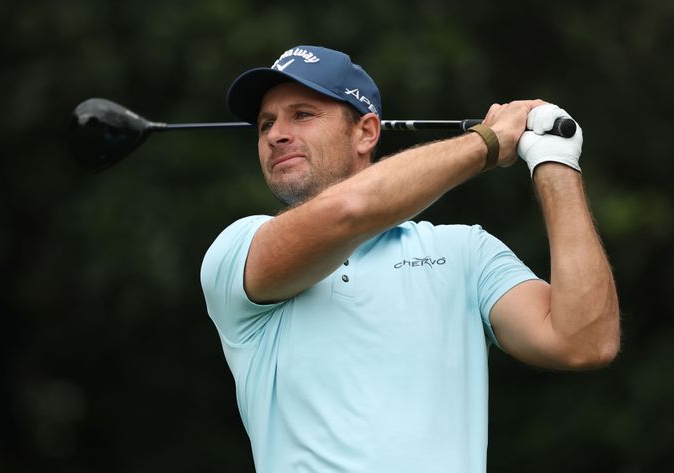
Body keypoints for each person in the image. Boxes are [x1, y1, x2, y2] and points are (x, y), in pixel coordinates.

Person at [200, 45, 620, 473]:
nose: (275, 135)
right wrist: (487, 143)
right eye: (265, 124)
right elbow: (348, 210)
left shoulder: (465, 252)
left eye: (302, 114)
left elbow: (585, 342)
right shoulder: (236, 252)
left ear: (366, 133)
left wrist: (555, 161)